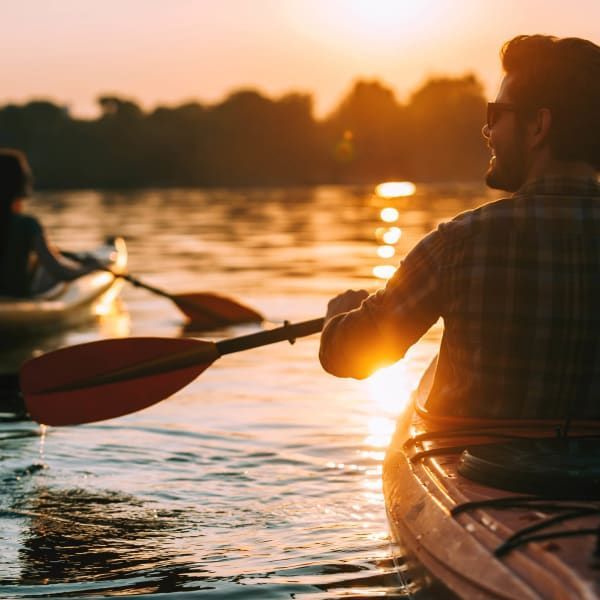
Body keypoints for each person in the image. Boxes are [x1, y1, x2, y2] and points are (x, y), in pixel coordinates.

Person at [319, 35, 600, 420]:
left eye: (496, 114)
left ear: (538, 125)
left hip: (481, 468)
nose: (488, 131)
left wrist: (339, 317)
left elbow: (347, 354)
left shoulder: (460, 244)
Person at [0, 148, 99, 297]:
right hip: (16, 300)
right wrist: (91, 269)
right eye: (26, 174)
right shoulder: (28, 225)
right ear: (18, 181)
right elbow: (60, 273)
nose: (30, 178)